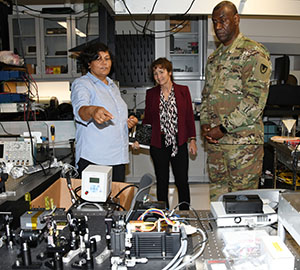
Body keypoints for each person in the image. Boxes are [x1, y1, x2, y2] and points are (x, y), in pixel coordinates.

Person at [199, 1, 272, 200]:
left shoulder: (253, 52)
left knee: (243, 202)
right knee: (218, 200)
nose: (218, 26)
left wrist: (223, 128)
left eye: (223, 20)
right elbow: (207, 95)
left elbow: (255, 101)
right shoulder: (214, 58)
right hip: (216, 145)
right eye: (214, 22)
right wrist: (205, 124)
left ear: (236, 19)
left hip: (242, 146)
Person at [133, 58, 197, 210]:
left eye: (161, 72)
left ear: (169, 72)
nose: (158, 76)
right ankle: (163, 214)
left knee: (182, 180)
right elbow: (147, 120)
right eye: (155, 74)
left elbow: (189, 117)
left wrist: (192, 139)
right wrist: (138, 140)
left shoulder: (183, 91)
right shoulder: (151, 94)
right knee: (162, 181)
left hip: (179, 142)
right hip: (158, 142)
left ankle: (185, 213)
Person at [71, 42, 138, 181]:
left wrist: (126, 123)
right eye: (98, 58)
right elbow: (81, 110)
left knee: (116, 201)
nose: (104, 63)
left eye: (107, 58)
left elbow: (113, 119)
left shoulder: (112, 86)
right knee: (96, 203)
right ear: (89, 63)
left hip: (118, 158)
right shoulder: (82, 84)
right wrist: (93, 110)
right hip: (95, 159)